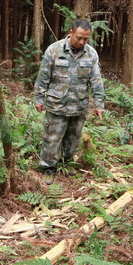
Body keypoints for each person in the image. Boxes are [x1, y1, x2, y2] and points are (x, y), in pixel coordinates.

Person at [34, 19, 105, 185]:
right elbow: (43, 76)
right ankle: (48, 167)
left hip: (79, 105)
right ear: (71, 32)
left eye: (85, 39)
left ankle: (66, 162)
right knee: (52, 137)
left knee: (74, 138)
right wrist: (39, 98)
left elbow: (96, 80)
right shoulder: (54, 50)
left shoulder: (91, 54)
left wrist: (99, 104)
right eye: (79, 37)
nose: (81, 42)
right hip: (56, 104)